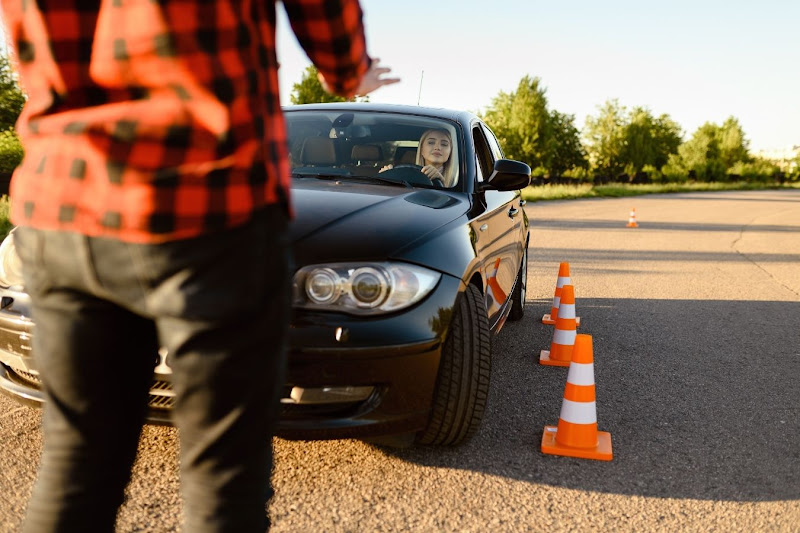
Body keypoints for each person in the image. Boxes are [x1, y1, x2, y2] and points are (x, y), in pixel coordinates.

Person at [0, 1, 398, 532]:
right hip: (211, 201)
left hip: (68, 201)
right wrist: (348, 70)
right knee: (223, 483)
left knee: (76, 465)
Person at [382, 128, 457, 186]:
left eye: (444, 144)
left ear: (451, 152)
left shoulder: (458, 182)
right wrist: (384, 178)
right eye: (431, 142)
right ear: (421, 149)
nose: (437, 147)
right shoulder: (404, 175)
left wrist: (443, 183)